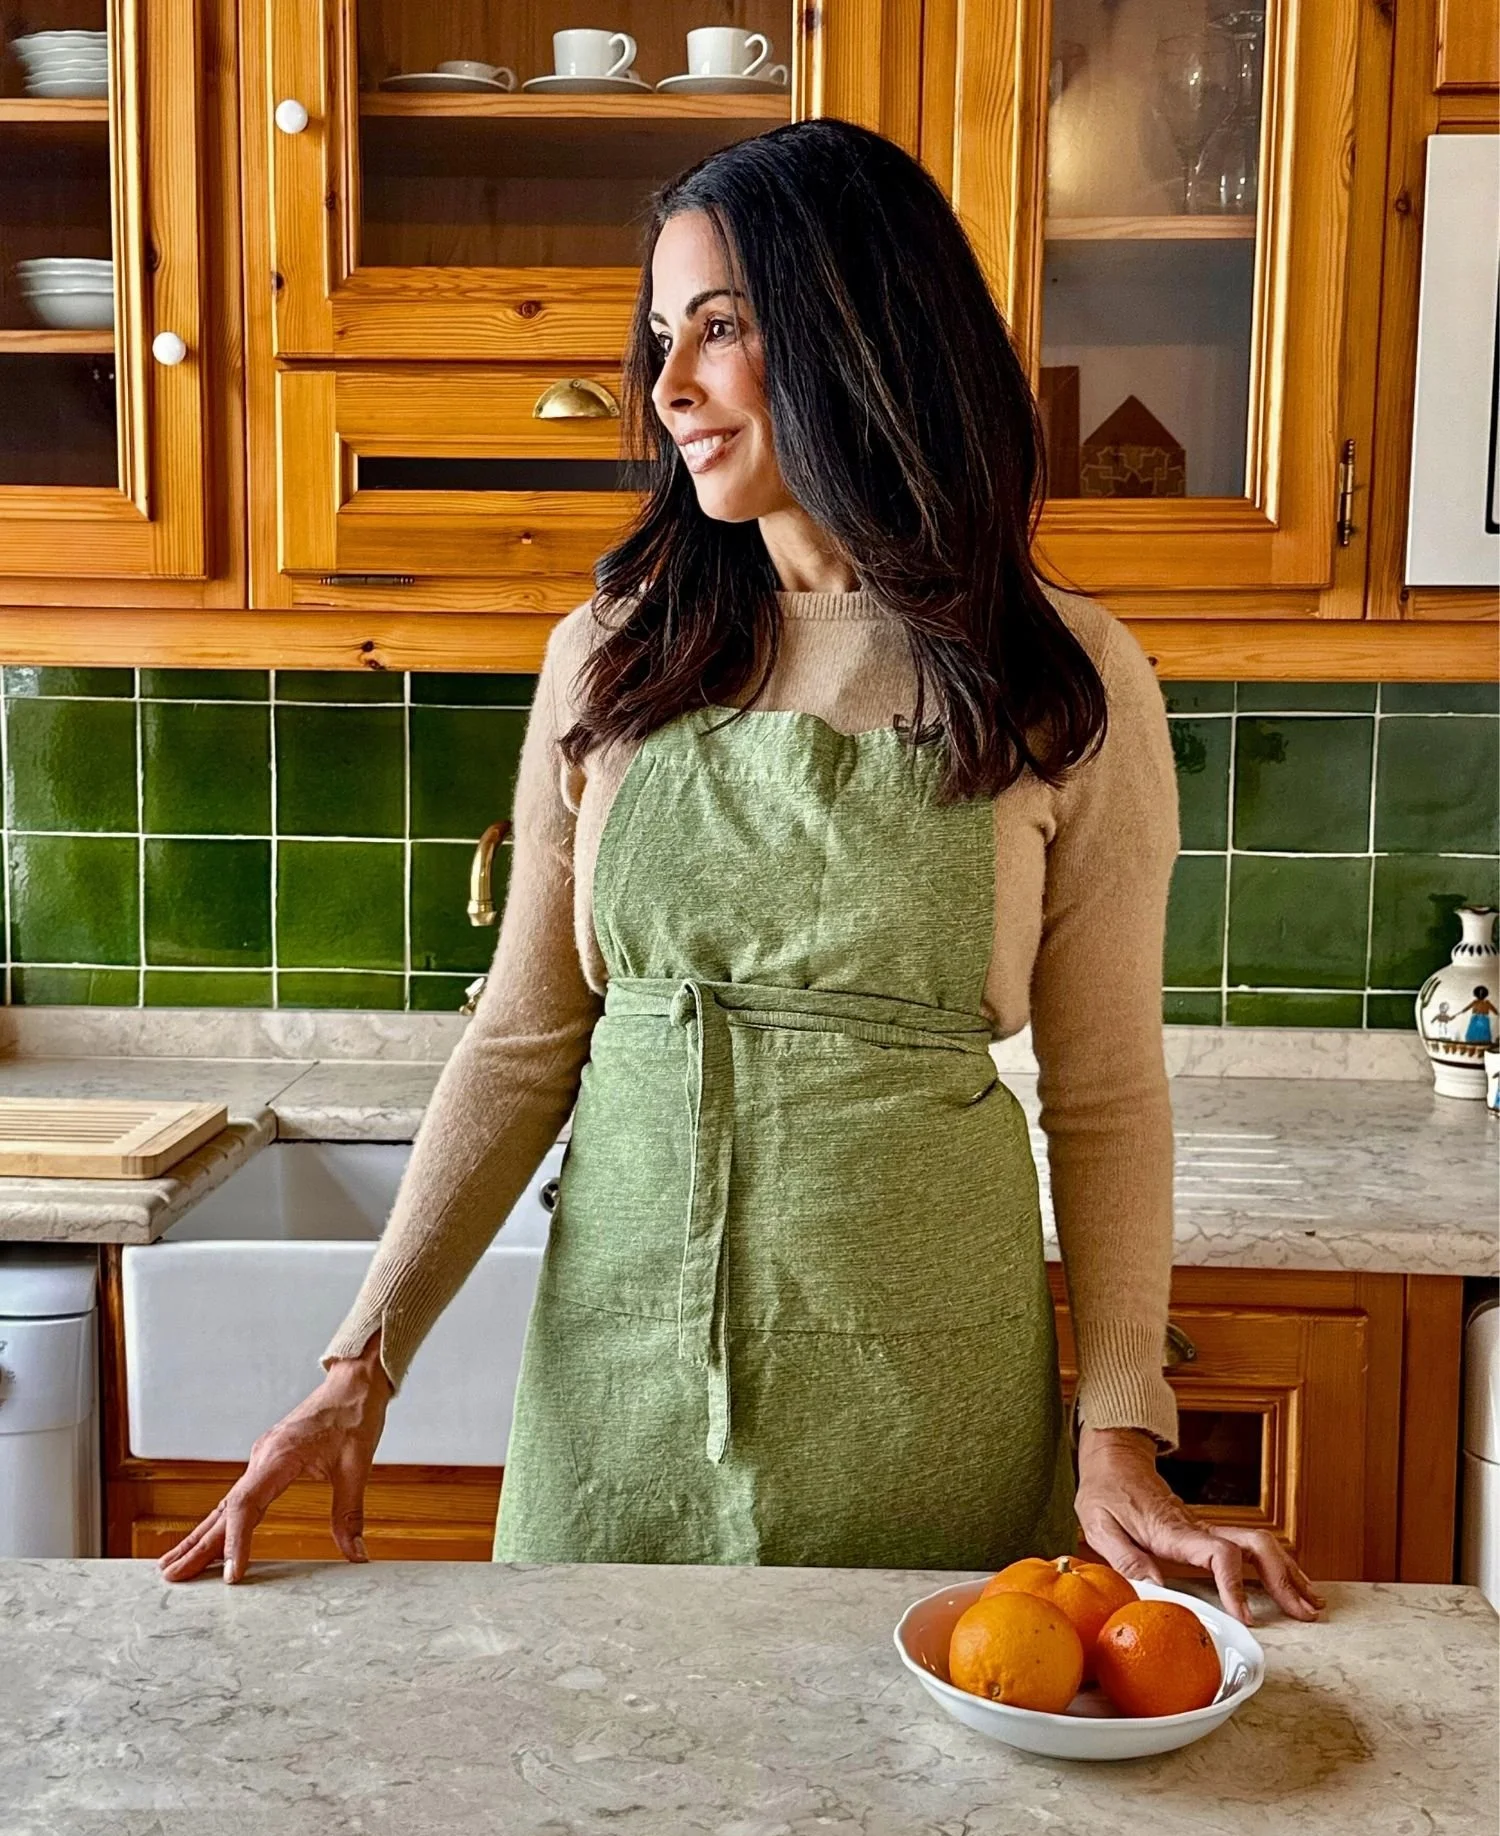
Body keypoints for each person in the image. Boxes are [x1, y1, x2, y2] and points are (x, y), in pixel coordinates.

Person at [159, 117, 1321, 1626]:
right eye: (661, 335)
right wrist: (357, 1367)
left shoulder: (1064, 673)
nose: (669, 388)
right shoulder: (616, 655)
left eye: (722, 326)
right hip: (620, 1373)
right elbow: (521, 1041)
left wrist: (1120, 1434)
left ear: (861, 331)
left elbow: (1105, 1097)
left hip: (923, 1381)